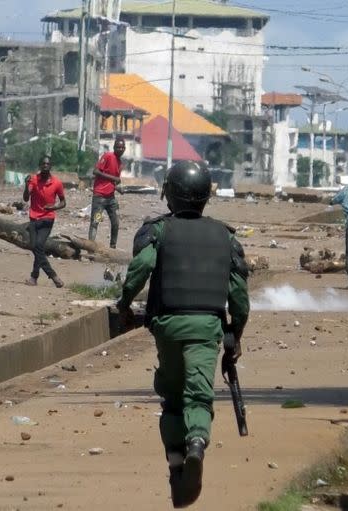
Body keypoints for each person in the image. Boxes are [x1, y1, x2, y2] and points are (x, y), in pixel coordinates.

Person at [116, 161, 250, 508]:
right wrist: (235, 333)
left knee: (172, 398)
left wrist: (125, 303)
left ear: (169, 194)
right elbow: (239, 296)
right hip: (207, 328)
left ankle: (176, 465)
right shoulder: (227, 237)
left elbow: (141, 268)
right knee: (198, 398)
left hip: (167, 326)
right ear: (206, 196)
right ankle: (196, 444)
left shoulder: (156, 231)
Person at [23, 155, 66, 288]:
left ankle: (50, 276)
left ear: (51, 166)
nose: (45, 166)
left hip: (48, 218)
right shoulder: (33, 180)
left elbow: (63, 202)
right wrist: (26, 185)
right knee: (36, 247)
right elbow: (25, 198)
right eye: (43, 164)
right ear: (40, 166)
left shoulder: (57, 183)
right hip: (34, 218)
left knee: (38, 246)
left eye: (47, 164)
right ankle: (35, 277)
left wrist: (53, 207)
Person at [88, 137, 125, 249]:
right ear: (114, 147)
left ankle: (112, 247)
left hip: (111, 198)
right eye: (118, 147)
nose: (120, 149)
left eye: (123, 147)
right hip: (100, 198)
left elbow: (113, 181)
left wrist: (118, 188)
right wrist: (113, 178)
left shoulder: (120, 163)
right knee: (96, 221)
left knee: (115, 223)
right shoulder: (108, 156)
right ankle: (90, 247)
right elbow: (96, 171)